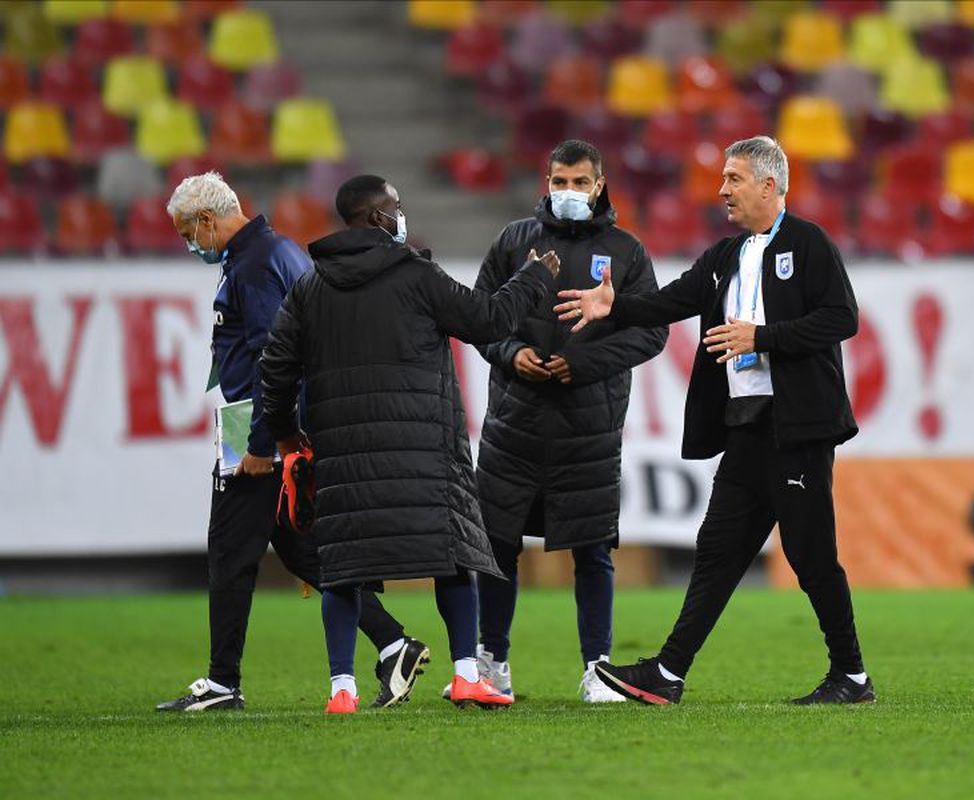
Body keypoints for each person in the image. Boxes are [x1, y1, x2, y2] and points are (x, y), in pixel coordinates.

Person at [555, 136, 872, 705]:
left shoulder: (808, 242)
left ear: (769, 186)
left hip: (797, 429)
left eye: (734, 178)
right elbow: (672, 301)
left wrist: (763, 337)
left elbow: (841, 318)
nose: (722, 189)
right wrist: (614, 306)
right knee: (717, 550)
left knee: (809, 556)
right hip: (745, 425)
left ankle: (850, 676)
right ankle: (668, 672)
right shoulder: (726, 256)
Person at [259, 175, 561, 712]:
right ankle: (467, 675)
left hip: (343, 457)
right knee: (453, 559)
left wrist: (283, 434)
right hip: (426, 453)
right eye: (396, 206)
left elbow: (275, 369)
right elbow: (488, 319)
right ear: (379, 217)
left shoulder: (309, 288)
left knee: (342, 570)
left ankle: (342, 690)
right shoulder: (418, 276)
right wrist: (535, 277)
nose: (403, 215)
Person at [155, 172, 420, 713]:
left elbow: (271, 362)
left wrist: (262, 443)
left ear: (206, 220)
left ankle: (223, 682)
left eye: (187, 232)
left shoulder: (254, 266)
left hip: (260, 429)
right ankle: (394, 642)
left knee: (229, 552)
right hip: (283, 427)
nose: (189, 243)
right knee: (302, 548)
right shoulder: (276, 253)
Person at [468, 140, 667, 703]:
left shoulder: (626, 251)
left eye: (580, 182)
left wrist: (582, 364)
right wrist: (511, 353)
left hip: (590, 426)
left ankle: (597, 670)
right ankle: (492, 663)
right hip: (515, 422)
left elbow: (652, 332)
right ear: (547, 182)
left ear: (600, 185)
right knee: (497, 545)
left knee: (593, 550)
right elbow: (478, 316)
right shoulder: (514, 241)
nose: (569, 192)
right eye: (560, 181)